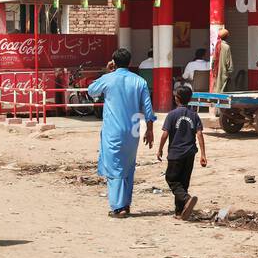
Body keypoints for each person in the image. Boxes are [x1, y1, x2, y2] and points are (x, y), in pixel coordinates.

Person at [88, 48, 156, 218]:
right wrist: (150, 130)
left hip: (113, 130)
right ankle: (125, 203)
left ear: (114, 62)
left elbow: (91, 90)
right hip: (133, 130)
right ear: (130, 62)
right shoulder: (140, 81)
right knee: (128, 166)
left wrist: (106, 70)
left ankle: (119, 207)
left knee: (114, 167)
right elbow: (148, 108)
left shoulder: (108, 79)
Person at [156, 82, 207, 220]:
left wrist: (160, 149)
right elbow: (200, 134)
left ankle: (186, 199)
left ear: (176, 98)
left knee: (171, 179)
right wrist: (203, 154)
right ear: (189, 99)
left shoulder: (172, 115)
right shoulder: (194, 115)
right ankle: (179, 212)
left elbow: (165, 134)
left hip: (175, 153)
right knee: (183, 183)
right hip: (190, 153)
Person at [211, 28, 234, 93]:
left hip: (216, 69)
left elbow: (214, 58)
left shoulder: (217, 45)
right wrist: (230, 70)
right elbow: (228, 60)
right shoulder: (226, 46)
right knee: (222, 87)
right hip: (223, 70)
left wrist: (213, 67)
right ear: (227, 36)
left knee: (216, 85)